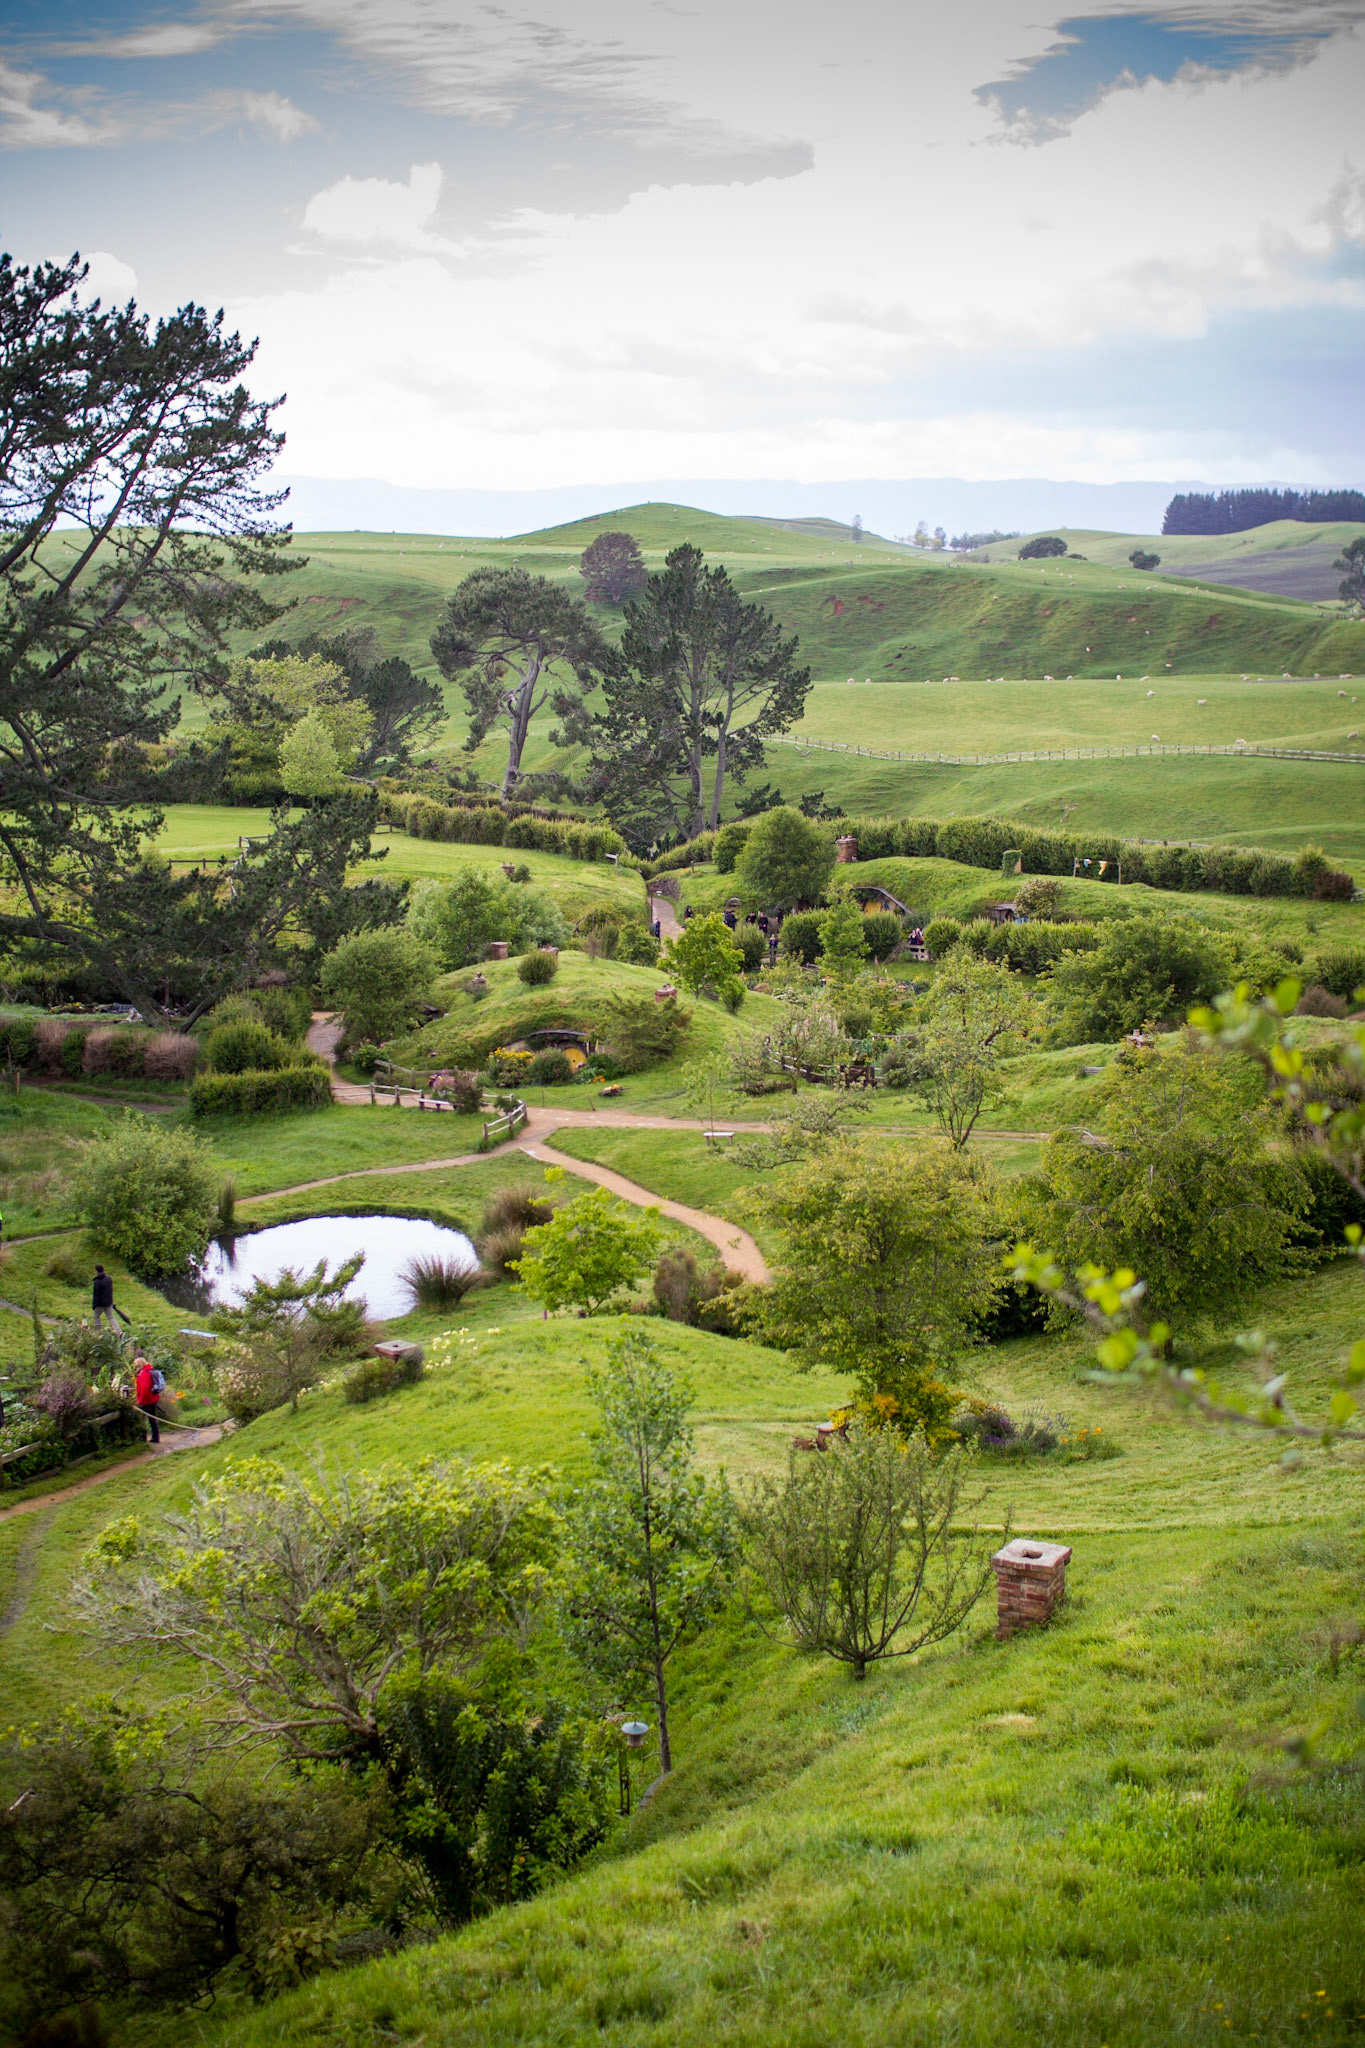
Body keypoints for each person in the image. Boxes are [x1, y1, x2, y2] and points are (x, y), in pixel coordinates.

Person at [133, 1353, 161, 1444]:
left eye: (136, 1365)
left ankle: (146, 1438)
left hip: (147, 1400)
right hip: (152, 1399)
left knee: (145, 1419)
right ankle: (155, 1437)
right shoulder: (149, 1371)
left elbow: (144, 1389)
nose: (135, 1367)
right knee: (152, 1419)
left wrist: (140, 1400)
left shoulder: (144, 1374)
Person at [92, 1263, 115, 1330]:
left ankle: (98, 1332)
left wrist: (94, 1305)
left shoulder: (97, 1281)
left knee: (96, 1316)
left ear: (96, 1271)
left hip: (100, 1304)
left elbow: (96, 1295)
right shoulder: (108, 1279)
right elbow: (110, 1291)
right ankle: (119, 1332)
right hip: (109, 1303)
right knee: (111, 1317)